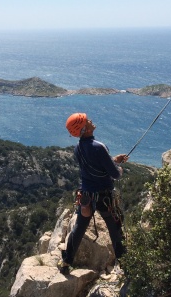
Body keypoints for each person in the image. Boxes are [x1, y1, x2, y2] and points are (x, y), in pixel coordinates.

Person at [58, 112, 129, 274]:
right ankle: (125, 265)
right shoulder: (99, 146)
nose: (90, 120)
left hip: (86, 196)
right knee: (115, 229)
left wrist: (113, 160)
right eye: (87, 120)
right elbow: (114, 174)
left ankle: (66, 262)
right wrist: (119, 169)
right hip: (104, 197)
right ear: (84, 128)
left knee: (79, 228)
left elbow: (93, 166)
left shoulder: (78, 148)